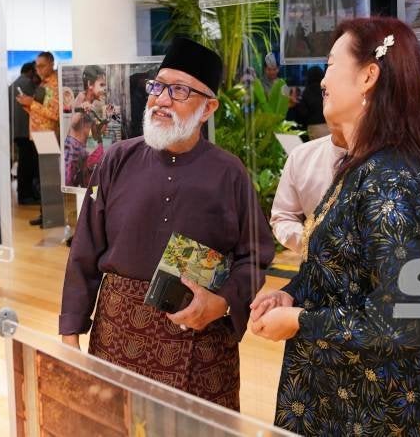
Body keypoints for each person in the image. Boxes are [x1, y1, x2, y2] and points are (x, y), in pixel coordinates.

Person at [60, 37, 274, 409]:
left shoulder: (229, 173)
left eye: (179, 91)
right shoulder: (117, 160)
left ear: (208, 108)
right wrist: (69, 333)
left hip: (200, 346)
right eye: (158, 87)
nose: (161, 100)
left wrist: (222, 303)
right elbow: (85, 249)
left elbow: (253, 257)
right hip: (118, 339)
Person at [250, 17, 420, 435]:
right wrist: (291, 294)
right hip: (334, 384)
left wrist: (300, 321)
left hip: (370, 402)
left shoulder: (390, 180)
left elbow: (398, 320)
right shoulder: (362, 167)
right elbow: (340, 270)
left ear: (368, 76)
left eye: (332, 64)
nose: (323, 79)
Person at [269, 128, 347, 252]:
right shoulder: (302, 156)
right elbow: (283, 217)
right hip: (318, 264)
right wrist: (311, 243)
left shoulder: (386, 156)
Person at [17, 53, 60, 225]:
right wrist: (28, 106)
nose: (38, 69)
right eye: (37, 66)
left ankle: (52, 216)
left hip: (48, 136)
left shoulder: (55, 85)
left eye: (42, 66)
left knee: (49, 178)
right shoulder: (44, 84)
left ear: (51, 64)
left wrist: (31, 103)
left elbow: (54, 114)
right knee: (42, 178)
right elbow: (40, 111)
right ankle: (46, 214)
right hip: (39, 136)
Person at [11, 62, 39, 205]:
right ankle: (26, 195)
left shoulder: (12, 85)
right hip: (28, 131)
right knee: (28, 164)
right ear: (30, 72)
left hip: (17, 131)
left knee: (23, 162)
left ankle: (23, 193)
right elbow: (37, 105)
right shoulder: (28, 84)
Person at [290, 66, 326, 139]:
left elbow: (303, 113)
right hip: (329, 127)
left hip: (314, 128)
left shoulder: (307, 91)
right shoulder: (326, 90)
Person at [63, 111, 92, 188]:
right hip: (72, 192)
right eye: (89, 127)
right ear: (85, 127)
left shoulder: (68, 142)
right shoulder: (78, 150)